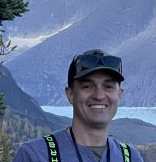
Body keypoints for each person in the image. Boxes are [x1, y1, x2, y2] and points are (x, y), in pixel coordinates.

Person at [12, 49, 143, 162]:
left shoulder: (131, 157)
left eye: (108, 86)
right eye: (87, 86)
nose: (99, 95)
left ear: (119, 95)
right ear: (70, 94)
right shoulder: (35, 155)